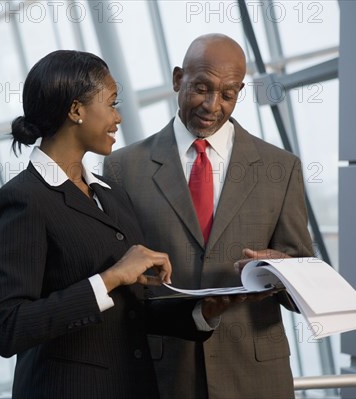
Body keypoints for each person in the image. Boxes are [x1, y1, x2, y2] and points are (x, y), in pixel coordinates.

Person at [0, 50, 233, 399]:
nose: (118, 117)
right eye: (112, 103)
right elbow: (8, 327)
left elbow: (131, 312)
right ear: (76, 111)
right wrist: (110, 277)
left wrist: (203, 311)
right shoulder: (24, 199)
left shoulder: (111, 195)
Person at [104, 34, 314, 399]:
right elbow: (118, 282)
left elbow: (302, 286)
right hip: (165, 371)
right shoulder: (123, 168)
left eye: (228, 94)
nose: (212, 105)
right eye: (201, 88)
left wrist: (288, 270)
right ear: (176, 80)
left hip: (255, 377)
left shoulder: (281, 168)